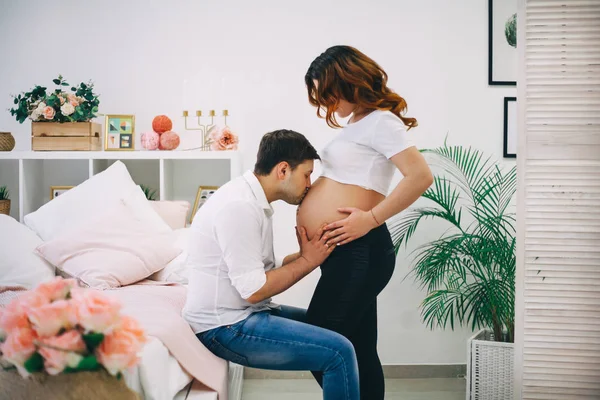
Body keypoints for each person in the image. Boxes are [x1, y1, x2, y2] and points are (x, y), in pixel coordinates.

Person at [297, 45, 434, 400]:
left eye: (327, 93)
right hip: (345, 251)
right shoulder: (358, 124)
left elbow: (419, 176)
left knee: (318, 344)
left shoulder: (381, 122)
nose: (325, 104)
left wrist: (370, 219)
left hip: (361, 249)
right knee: (358, 349)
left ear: (347, 81)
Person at [183, 129, 360, 400]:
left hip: (244, 313)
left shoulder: (250, 199)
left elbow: (264, 267)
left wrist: (307, 255)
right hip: (225, 327)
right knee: (339, 352)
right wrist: (309, 262)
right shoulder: (240, 207)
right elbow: (253, 290)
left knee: (333, 330)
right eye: (306, 174)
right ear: (283, 170)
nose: (309, 184)